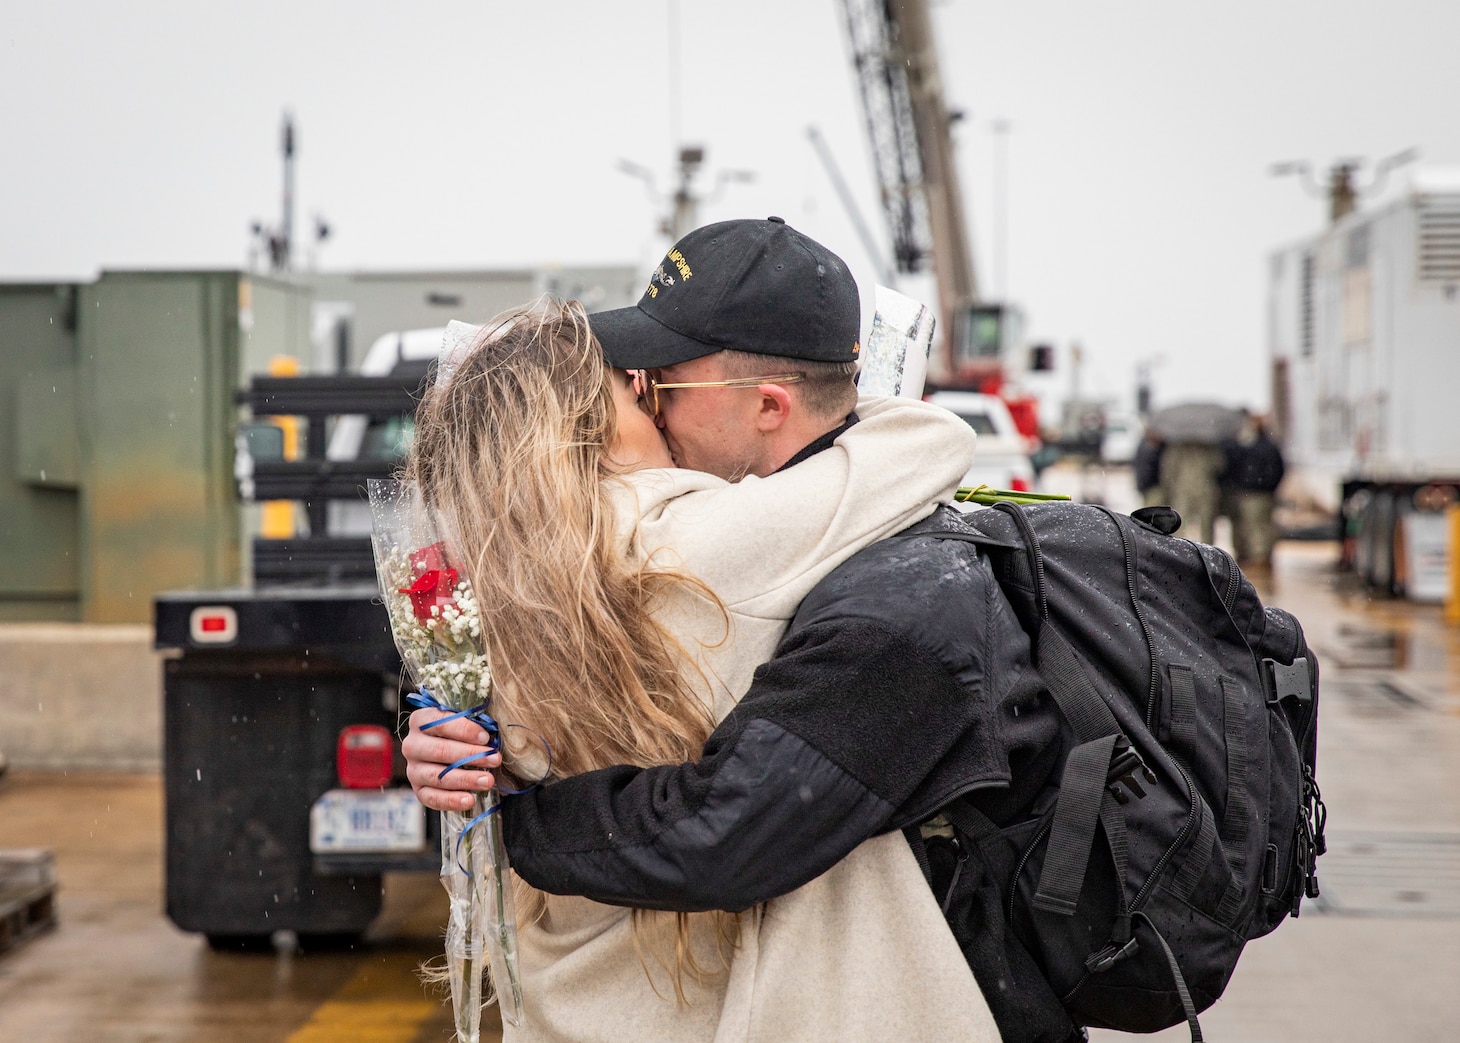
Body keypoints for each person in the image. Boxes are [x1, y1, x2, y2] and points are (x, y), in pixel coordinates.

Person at [407, 219, 1076, 1042]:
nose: (647, 386)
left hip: (566, 1005)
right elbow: (930, 440)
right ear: (583, 432)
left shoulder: (498, 583)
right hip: (700, 1003)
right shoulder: (696, 544)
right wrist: (839, 385)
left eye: (658, 377)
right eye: (630, 387)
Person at [1220, 410, 1285, 567]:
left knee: (1258, 527)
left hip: (1259, 493)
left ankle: (1259, 559)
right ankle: (1250, 557)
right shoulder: (1240, 445)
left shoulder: (1266, 446)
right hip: (1245, 491)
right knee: (1243, 526)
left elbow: (1277, 469)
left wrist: (1267, 486)